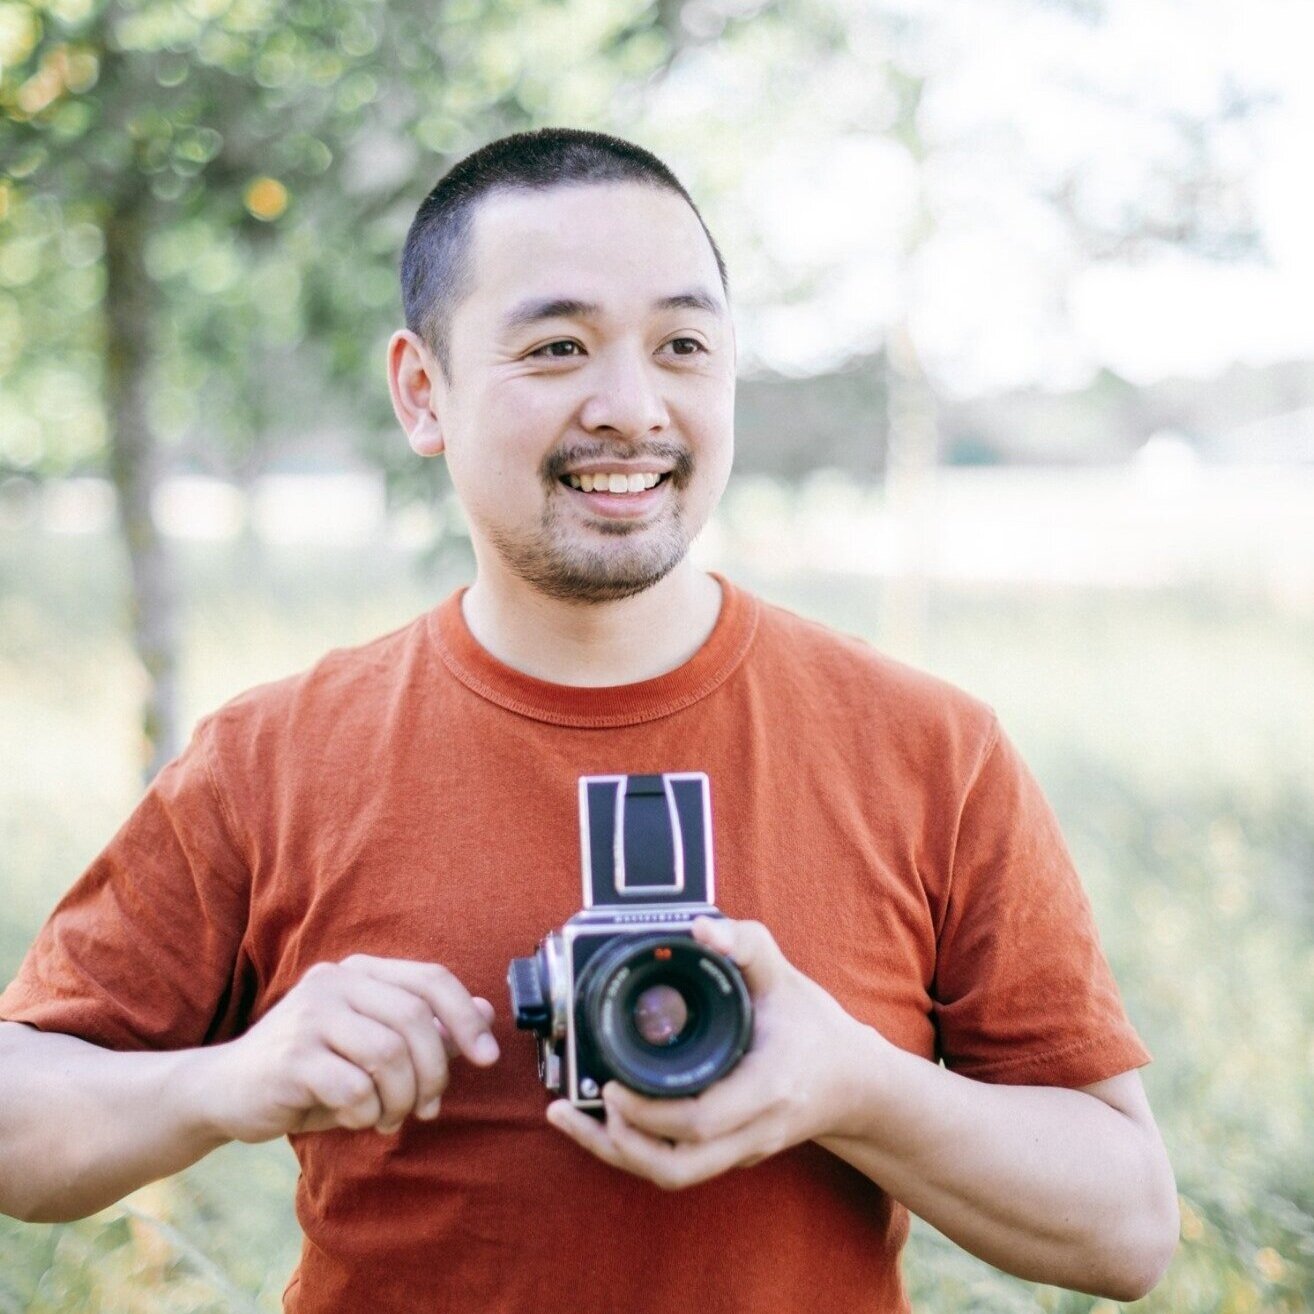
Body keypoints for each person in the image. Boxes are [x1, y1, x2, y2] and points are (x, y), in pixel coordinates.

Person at [0, 128, 1178, 1312]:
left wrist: (860, 1089)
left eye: (683, 345)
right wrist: (223, 1083)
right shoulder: (274, 758)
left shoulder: (930, 749)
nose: (631, 407)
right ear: (423, 392)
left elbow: (1126, 1229)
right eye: (558, 347)